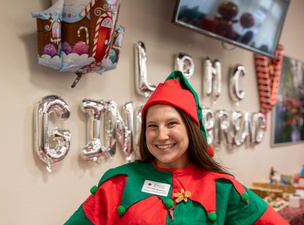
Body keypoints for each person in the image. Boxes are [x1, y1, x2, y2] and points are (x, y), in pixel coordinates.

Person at [64, 70, 289, 224]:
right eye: (152, 126)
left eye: (172, 123)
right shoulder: (120, 183)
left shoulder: (222, 188)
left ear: (190, 129)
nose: (161, 135)